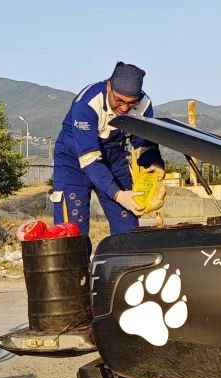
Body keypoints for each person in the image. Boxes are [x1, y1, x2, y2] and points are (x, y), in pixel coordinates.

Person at [52, 61, 165, 253]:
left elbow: (144, 142)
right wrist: (118, 194)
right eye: (119, 101)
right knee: (72, 233)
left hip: (115, 160)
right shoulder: (86, 104)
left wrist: (153, 164)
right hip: (74, 164)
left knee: (128, 228)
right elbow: (89, 159)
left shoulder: (143, 104)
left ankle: (125, 274)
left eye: (131, 103)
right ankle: (79, 279)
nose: (124, 108)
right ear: (109, 86)